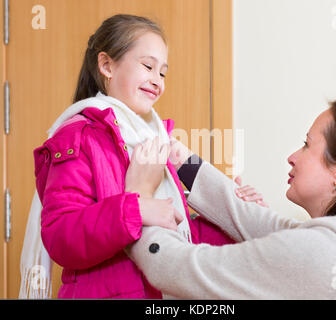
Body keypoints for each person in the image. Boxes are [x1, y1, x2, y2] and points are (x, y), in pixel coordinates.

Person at [19, 14, 265, 299]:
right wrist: (135, 210)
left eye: (162, 73)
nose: (157, 80)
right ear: (107, 65)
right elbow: (61, 237)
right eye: (148, 66)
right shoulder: (76, 137)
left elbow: (182, 237)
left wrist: (234, 217)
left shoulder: (157, 142)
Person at [127, 99, 336, 299]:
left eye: (306, 145)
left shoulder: (324, 254)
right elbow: (253, 219)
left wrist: (137, 202)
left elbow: (184, 270)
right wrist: (179, 157)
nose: (292, 156)